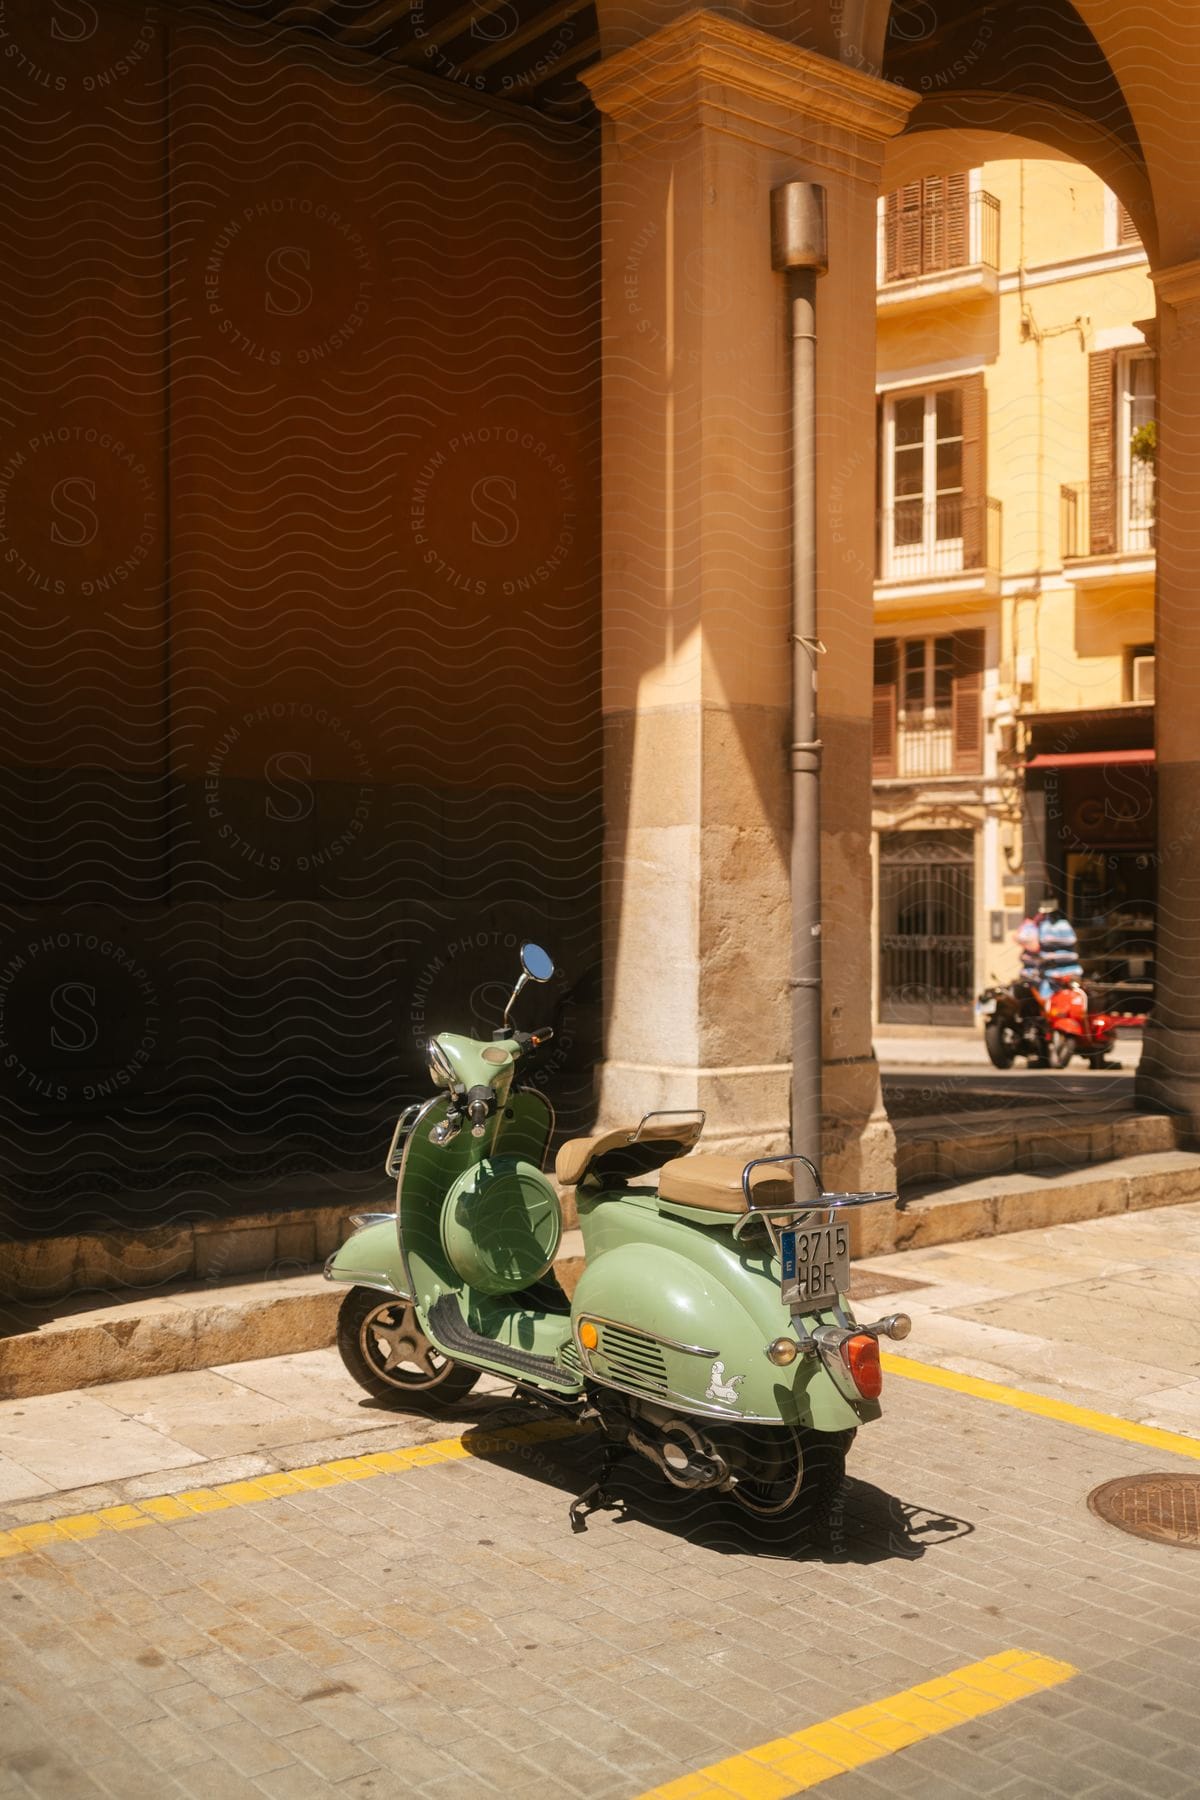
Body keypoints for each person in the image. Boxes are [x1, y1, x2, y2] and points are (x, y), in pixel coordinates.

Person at [1016, 895, 1083, 997]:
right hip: (1049, 974)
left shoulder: (1059, 925)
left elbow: (1069, 941)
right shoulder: (1040, 925)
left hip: (1062, 974)